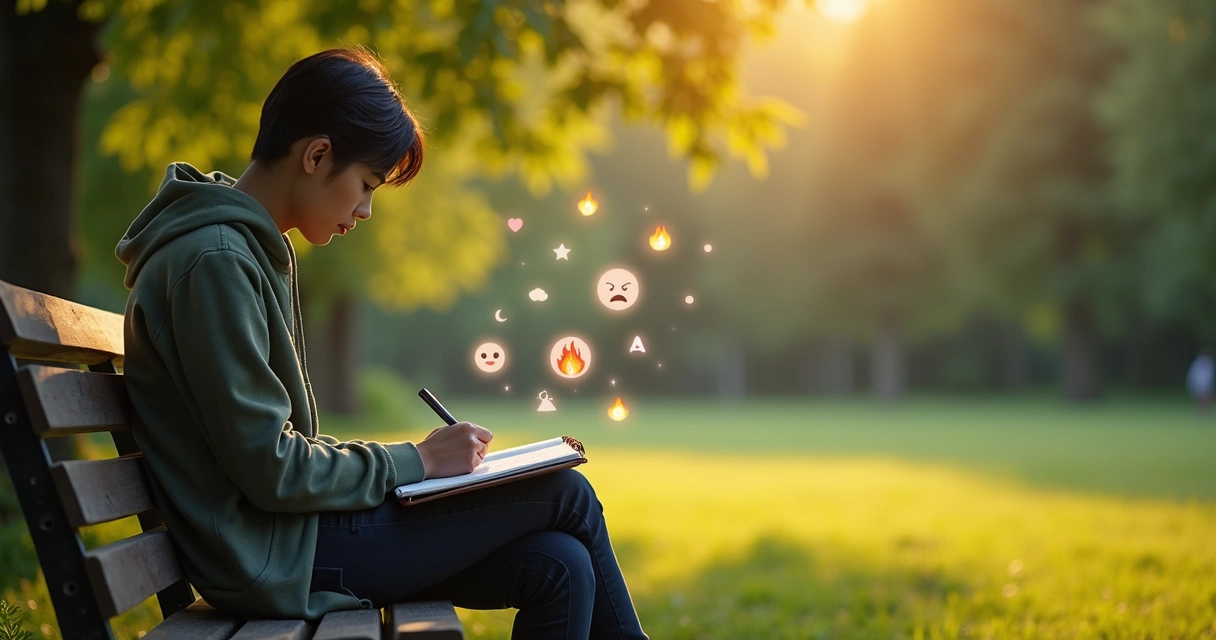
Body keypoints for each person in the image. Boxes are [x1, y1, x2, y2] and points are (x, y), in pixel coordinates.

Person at [116, 47, 647, 639]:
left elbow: (271, 452)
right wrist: (418, 461)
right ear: (317, 155)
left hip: (287, 536)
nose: (365, 210)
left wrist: (416, 468)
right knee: (565, 491)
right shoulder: (214, 261)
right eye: (366, 184)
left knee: (560, 564)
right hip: (272, 555)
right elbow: (269, 466)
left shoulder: (236, 251)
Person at [1186, 348, 1214, 417]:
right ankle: (1200, 414)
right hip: (1199, 384)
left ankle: (1207, 414)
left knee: (1207, 400)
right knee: (1199, 400)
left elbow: (1211, 375)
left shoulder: (1210, 363)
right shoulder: (1197, 364)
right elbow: (1193, 374)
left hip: (1207, 385)